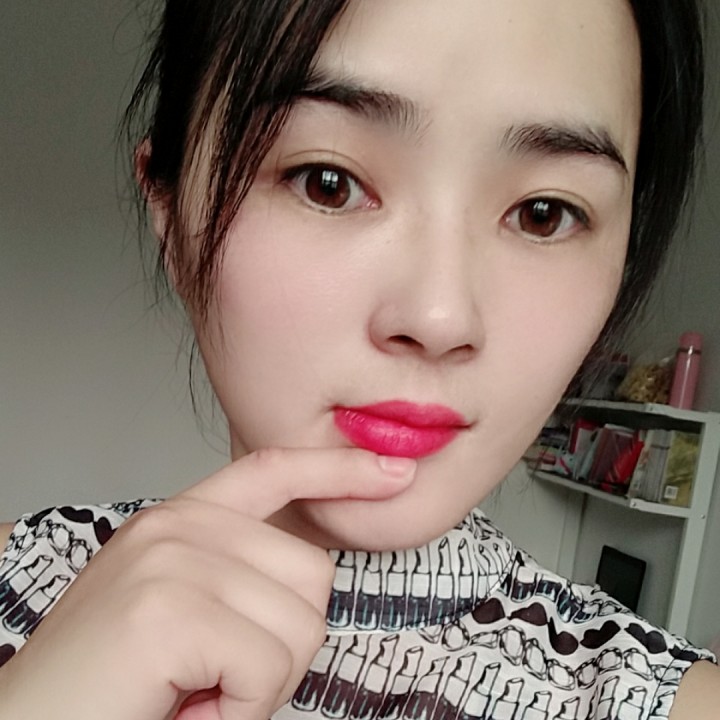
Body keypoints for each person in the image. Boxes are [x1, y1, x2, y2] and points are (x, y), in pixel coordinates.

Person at [0, 0, 717, 718]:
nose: (439, 318)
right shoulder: (20, 575)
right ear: (169, 210)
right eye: (328, 182)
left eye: (544, 213)